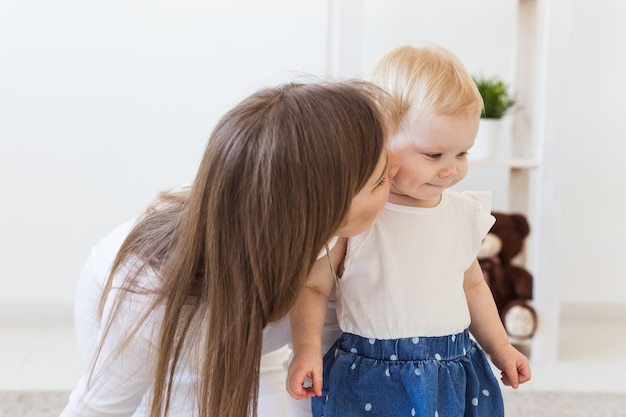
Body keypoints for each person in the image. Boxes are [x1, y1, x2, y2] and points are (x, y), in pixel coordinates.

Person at [59, 80, 401, 417]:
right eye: (381, 179)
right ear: (319, 214)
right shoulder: (148, 303)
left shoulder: (321, 236)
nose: (399, 169)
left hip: (245, 323)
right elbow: (94, 408)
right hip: (161, 306)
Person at [286, 43, 532, 417]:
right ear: (381, 141)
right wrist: (305, 350)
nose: (451, 169)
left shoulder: (463, 214)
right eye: (434, 155)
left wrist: (501, 347)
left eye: (462, 153)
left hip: (453, 368)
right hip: (371, 373)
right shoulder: (360, 215)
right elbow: (314, 286)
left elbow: (472, 286)